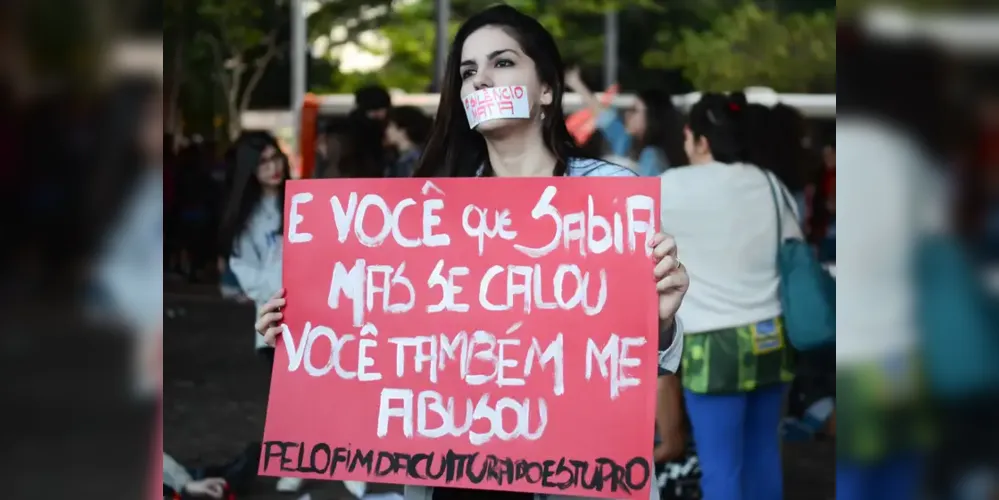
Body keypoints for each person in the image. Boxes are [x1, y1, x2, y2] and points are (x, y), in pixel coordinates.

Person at [255, 5, 688, 500]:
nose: (480, 80)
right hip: (456, 472)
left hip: (573, 471)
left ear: (546, 88)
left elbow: (637, 362)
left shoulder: (609, 197)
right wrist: (305, 331)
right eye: (467, 71)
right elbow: (390, 343)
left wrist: (659, 323)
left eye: (502, 63)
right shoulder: (421, 216)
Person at [659, 93, 797, 500]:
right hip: (772, 336)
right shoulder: (769, 182)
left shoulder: (671, 185)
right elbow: (793, 241)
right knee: (763, 457)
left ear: (700, 140)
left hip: (713, 348)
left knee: (721, 469)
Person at [564, 67, 687, 176]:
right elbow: (604, 115)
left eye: (634, 110)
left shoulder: (652, 157)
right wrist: (576, 83)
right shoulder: (625, 142)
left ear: (652, 117)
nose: (628, 114)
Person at [384, 105, 432, 177]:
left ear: (403, 129)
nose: (386, 130)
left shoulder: (412, 161)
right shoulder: (399, 157)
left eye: (390, 125)